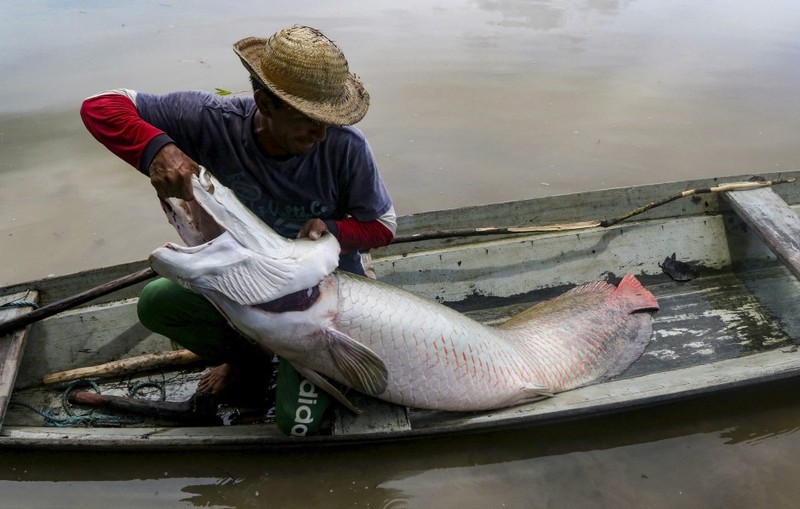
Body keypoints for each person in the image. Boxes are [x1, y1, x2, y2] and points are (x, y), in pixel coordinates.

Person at [80, 25, 396, 435]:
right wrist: (157, 148)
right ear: (264, 103)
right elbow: (101, 106)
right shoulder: (210, 120)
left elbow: (382, 226)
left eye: (327, 122)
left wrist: (334, 229)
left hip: (323, 297)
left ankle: (293, 358)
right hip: (241, 282)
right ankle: (249, 361)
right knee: (157, 302)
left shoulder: (345, 146)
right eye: (306, 121)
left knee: (296, 424)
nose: (320, 135)